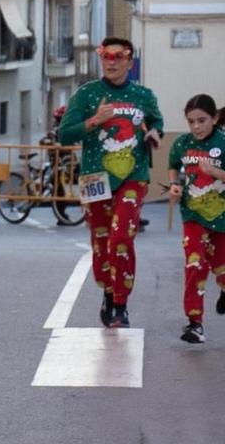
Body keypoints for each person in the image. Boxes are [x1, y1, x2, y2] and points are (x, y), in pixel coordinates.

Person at [56, 37, 164, 328]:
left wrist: (155, 134)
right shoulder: (86, 94)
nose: (112, 61)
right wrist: (94, 120)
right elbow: (64, 135)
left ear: (130, 61)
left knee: (121, 238)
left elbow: (156, 122)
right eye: (106, 55)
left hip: (133, 176)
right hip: (95, 177)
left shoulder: (143, 95)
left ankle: (121, 303)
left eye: (119, 56)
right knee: (101, 241)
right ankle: (108, 290)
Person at [165, 96, 225, 345]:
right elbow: (173, 166)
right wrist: (175, 185)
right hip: (192, 214)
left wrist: (214, 172)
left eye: (201, 120)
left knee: (219, 267)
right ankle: (195, 322)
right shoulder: (182, 144)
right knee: (195, 264)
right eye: (191, 122)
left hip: (223, 217)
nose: (196, 127)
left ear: (213, 118)